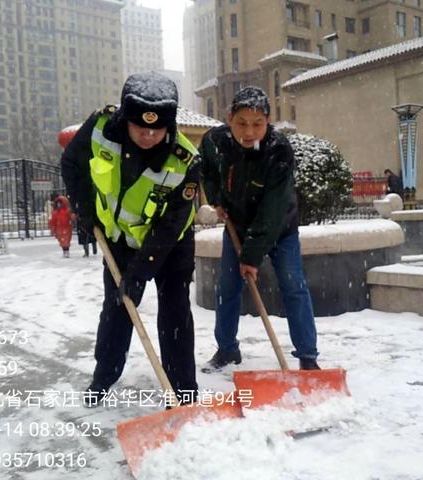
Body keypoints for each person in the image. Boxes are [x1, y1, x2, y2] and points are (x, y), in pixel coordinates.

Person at [61, 71, 199, 406]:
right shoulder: (99, 128)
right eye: (140, 127)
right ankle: (103, 376)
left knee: (175, 313)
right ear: (124, 118)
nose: (149, 135)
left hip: (170, 246)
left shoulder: (185, 161)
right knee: (116, 309)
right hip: (120, 240)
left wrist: (139, 274)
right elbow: (72, 164)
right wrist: (84, 209)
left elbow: (170, 225)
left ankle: (181, 391)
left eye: (158, 128)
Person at [199, 86, 320, 371]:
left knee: (293, 286)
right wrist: (216, 199)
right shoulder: (215, 141)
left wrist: (251, 258)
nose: (249, 132)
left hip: (280, 228)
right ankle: (227, 349)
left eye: (258, 124)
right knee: (227, 288)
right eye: (242, 123)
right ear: (229, 118)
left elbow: (272, 209)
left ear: (268, 121)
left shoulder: (278, 150)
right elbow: (206, 169)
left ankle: (307, 355)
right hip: (237, 226)